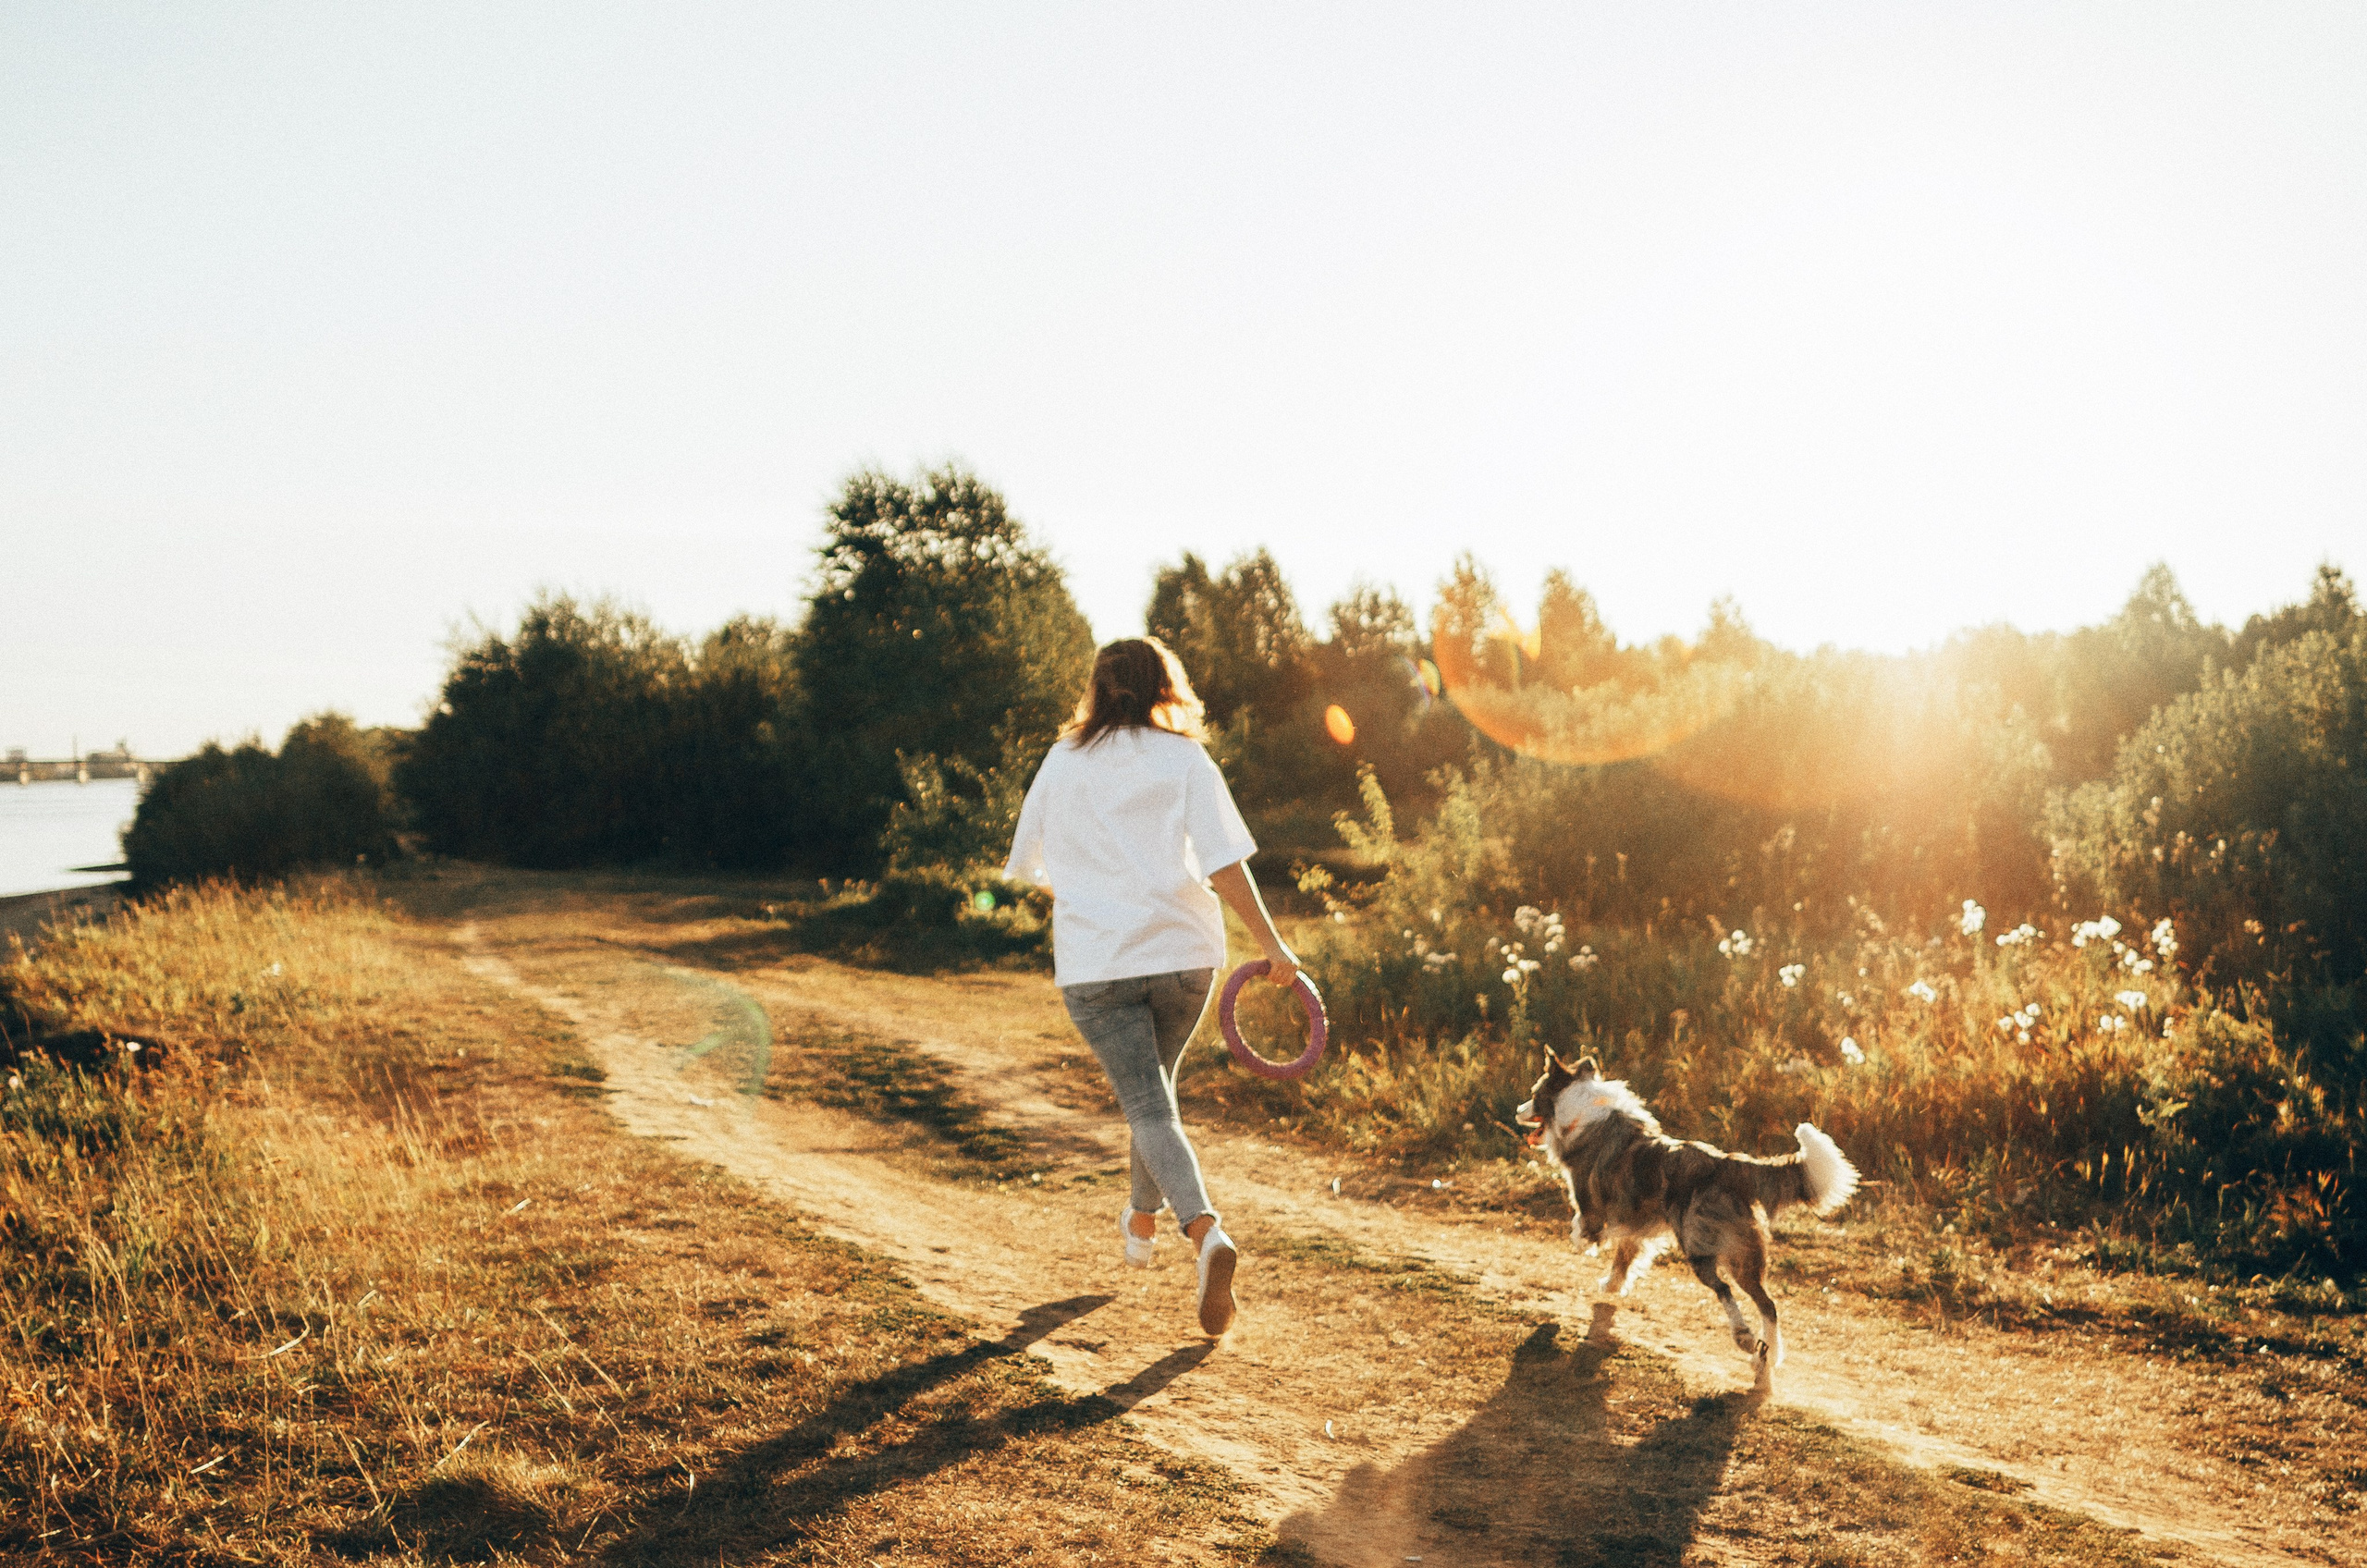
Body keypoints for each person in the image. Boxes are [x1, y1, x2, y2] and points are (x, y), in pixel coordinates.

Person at [1002, 636, 1299, 1338]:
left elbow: (1029, 864)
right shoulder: (1184, 757)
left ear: (1098, 688)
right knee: (1154, 1096)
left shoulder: (1063, 759)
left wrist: (1088, 893)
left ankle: (1205, 1233)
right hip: (1184, 954)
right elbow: (1225, 865)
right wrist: (1272, 944)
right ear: (1167, 684)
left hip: (1099, 964)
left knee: (1148, 1104)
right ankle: (1140, 1223)